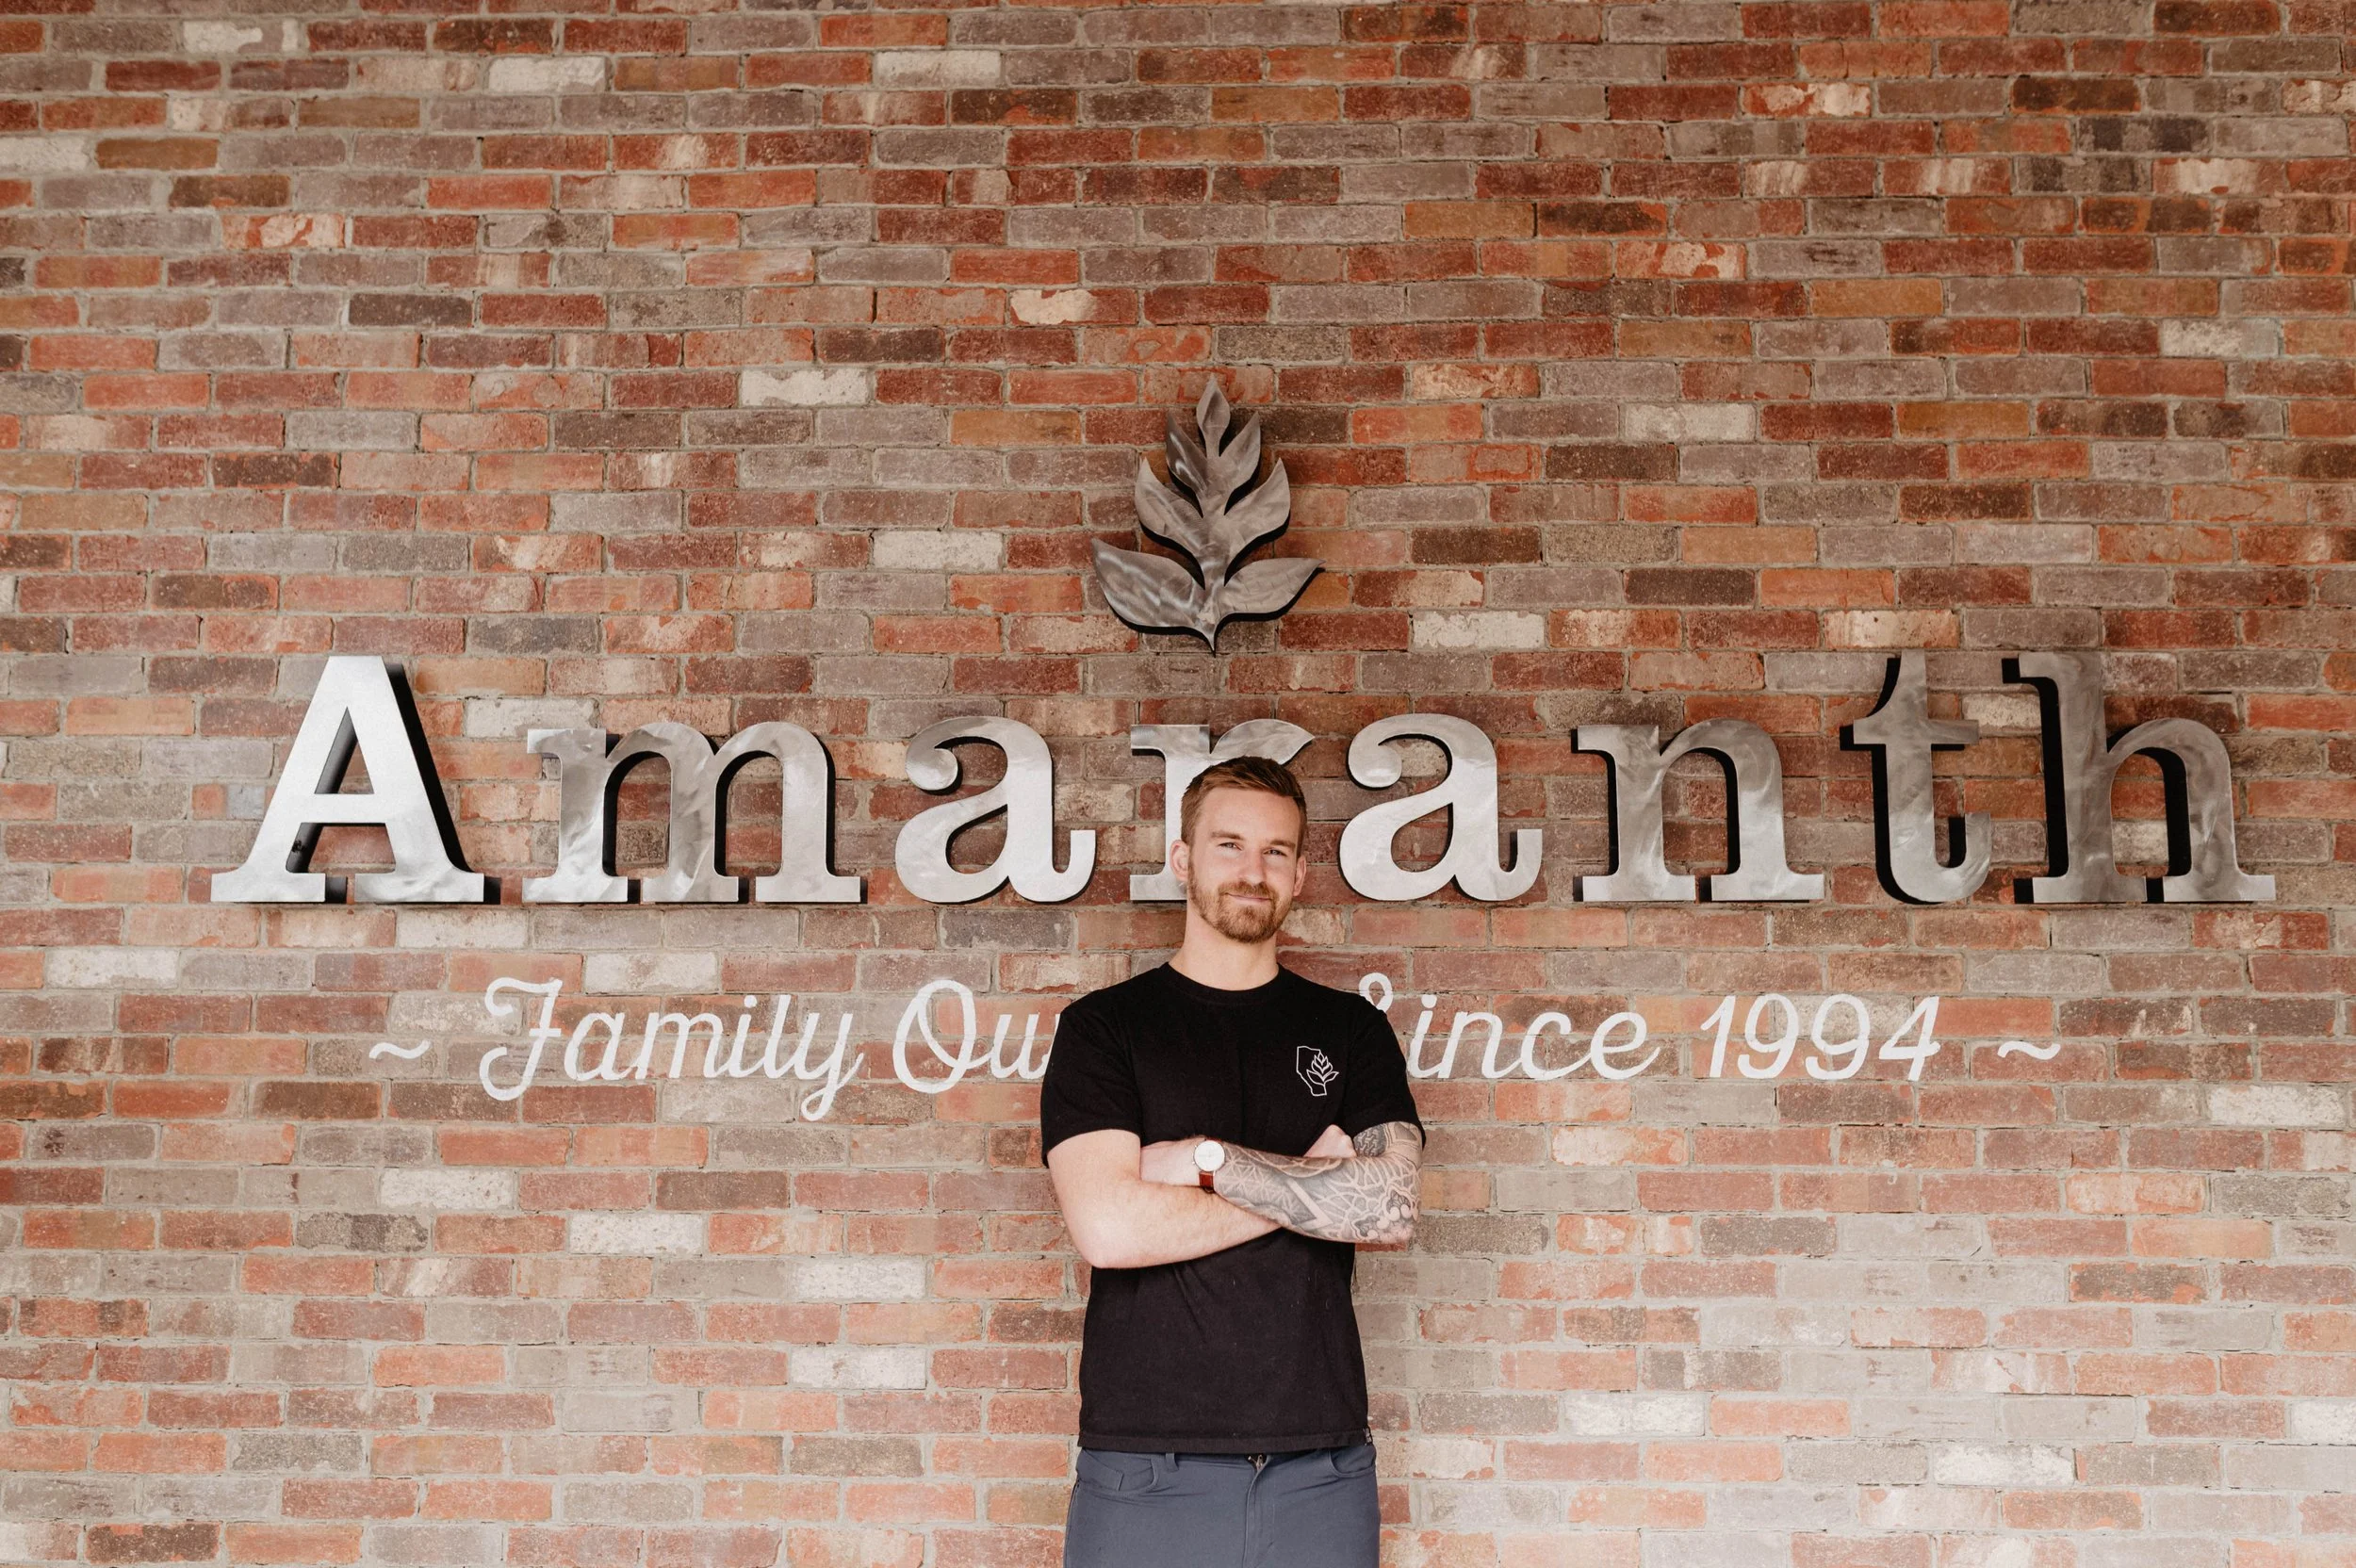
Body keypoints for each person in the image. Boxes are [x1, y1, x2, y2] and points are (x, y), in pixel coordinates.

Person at [1039, 754, 1424, 1568]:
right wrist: (1310, 1179)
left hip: (1320, 1467)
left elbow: (1389, 1207)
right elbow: (1108, 1229)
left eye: (1276, 851)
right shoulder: (1105, 1030)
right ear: (1182, 859)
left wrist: (1203, 1160)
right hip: (1146, 1469)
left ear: (1302, 872)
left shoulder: (1352, 1031)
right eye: (1229, 846)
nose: (1254, 871)